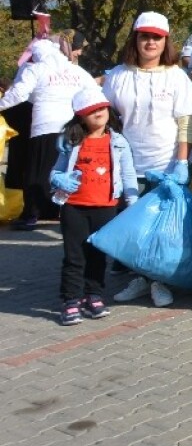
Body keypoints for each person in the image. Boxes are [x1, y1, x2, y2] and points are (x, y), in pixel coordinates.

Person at [103, 13, 192, 308]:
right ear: (135, 38)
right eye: (145, 36)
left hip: (168, 165)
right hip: (131, 167)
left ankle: (160, 282)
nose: (150, 42)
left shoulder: (176, 77)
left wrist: (182, 162)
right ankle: (142, 278)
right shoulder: (118, 76)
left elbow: (187, 121)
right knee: (136, 228)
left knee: (162, 231)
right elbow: (105, 116)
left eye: (157, 37)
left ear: (166, 41)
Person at [49, 86, 139, 326]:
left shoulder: (119, 142)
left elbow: (129, 173)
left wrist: (133, 202)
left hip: (106, 207)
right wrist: (57, 179)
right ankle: (70, 301)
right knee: (74, 256)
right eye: (92, 111)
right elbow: (56, 170)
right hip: (74, 207)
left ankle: (94, 295)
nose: (98, 113)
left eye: (101, 108)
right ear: (81, 116)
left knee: (98, 256)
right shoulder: (71, 141)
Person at [0, 38, 95, 229]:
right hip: (72, 126)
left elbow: (19, 93)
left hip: (44, 125)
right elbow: (93, 91)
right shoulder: (76, 71)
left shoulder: (36, 69)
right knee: (68, 169)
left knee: (36, 172)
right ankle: (61, 210)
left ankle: (31, 215)